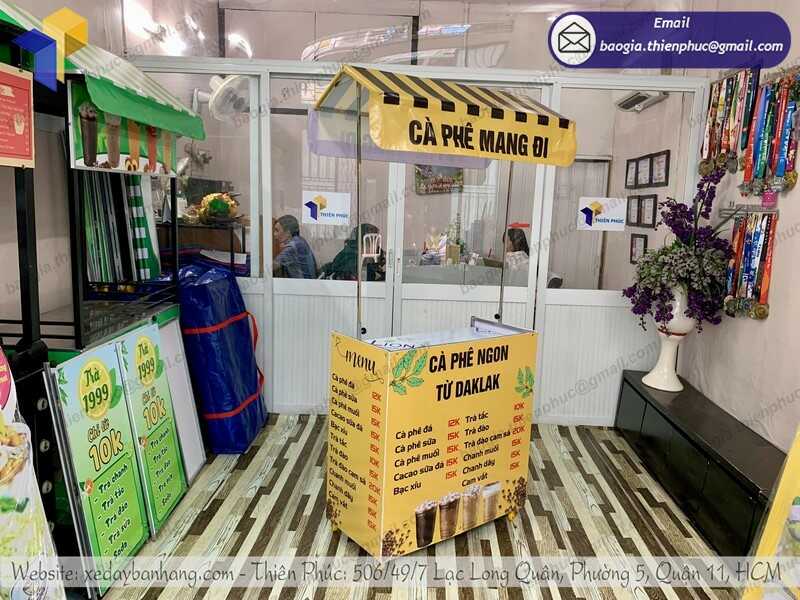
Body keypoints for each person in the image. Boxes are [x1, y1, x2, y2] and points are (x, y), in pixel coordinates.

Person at [319, 223, 385, 281]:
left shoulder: (354, 254)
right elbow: (364, 279)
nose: (377, 247)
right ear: (364, 244)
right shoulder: (352, 260)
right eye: (376, 242)